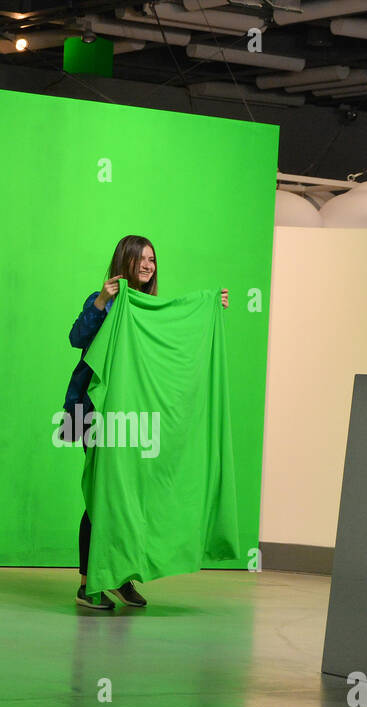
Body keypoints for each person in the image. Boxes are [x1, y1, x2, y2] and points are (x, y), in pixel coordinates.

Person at [61, 234, 227, 610]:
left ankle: (119, 577)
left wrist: (210, 307)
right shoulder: (107, 301)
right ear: (126, 261)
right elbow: (76, 338)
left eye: (153, 259)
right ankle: (88, 583)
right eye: (142, 259)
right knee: (103, 496)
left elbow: (175, 329)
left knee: (131, 493)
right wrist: (103, 301)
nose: (149, 265)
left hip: (134, 416)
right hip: (92, 412)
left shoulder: (148, 308)